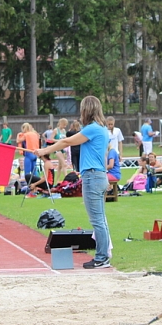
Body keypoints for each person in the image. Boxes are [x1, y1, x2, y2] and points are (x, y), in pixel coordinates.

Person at [36, 96, 113, 269]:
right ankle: (104, 256)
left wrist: (44, 150)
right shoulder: (100, 129)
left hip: (93, 177)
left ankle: (102, 257)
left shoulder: (93, 129)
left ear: (87, 110)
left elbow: (66, 141)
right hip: (98, 175)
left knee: (98, 220)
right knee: (100, 219)